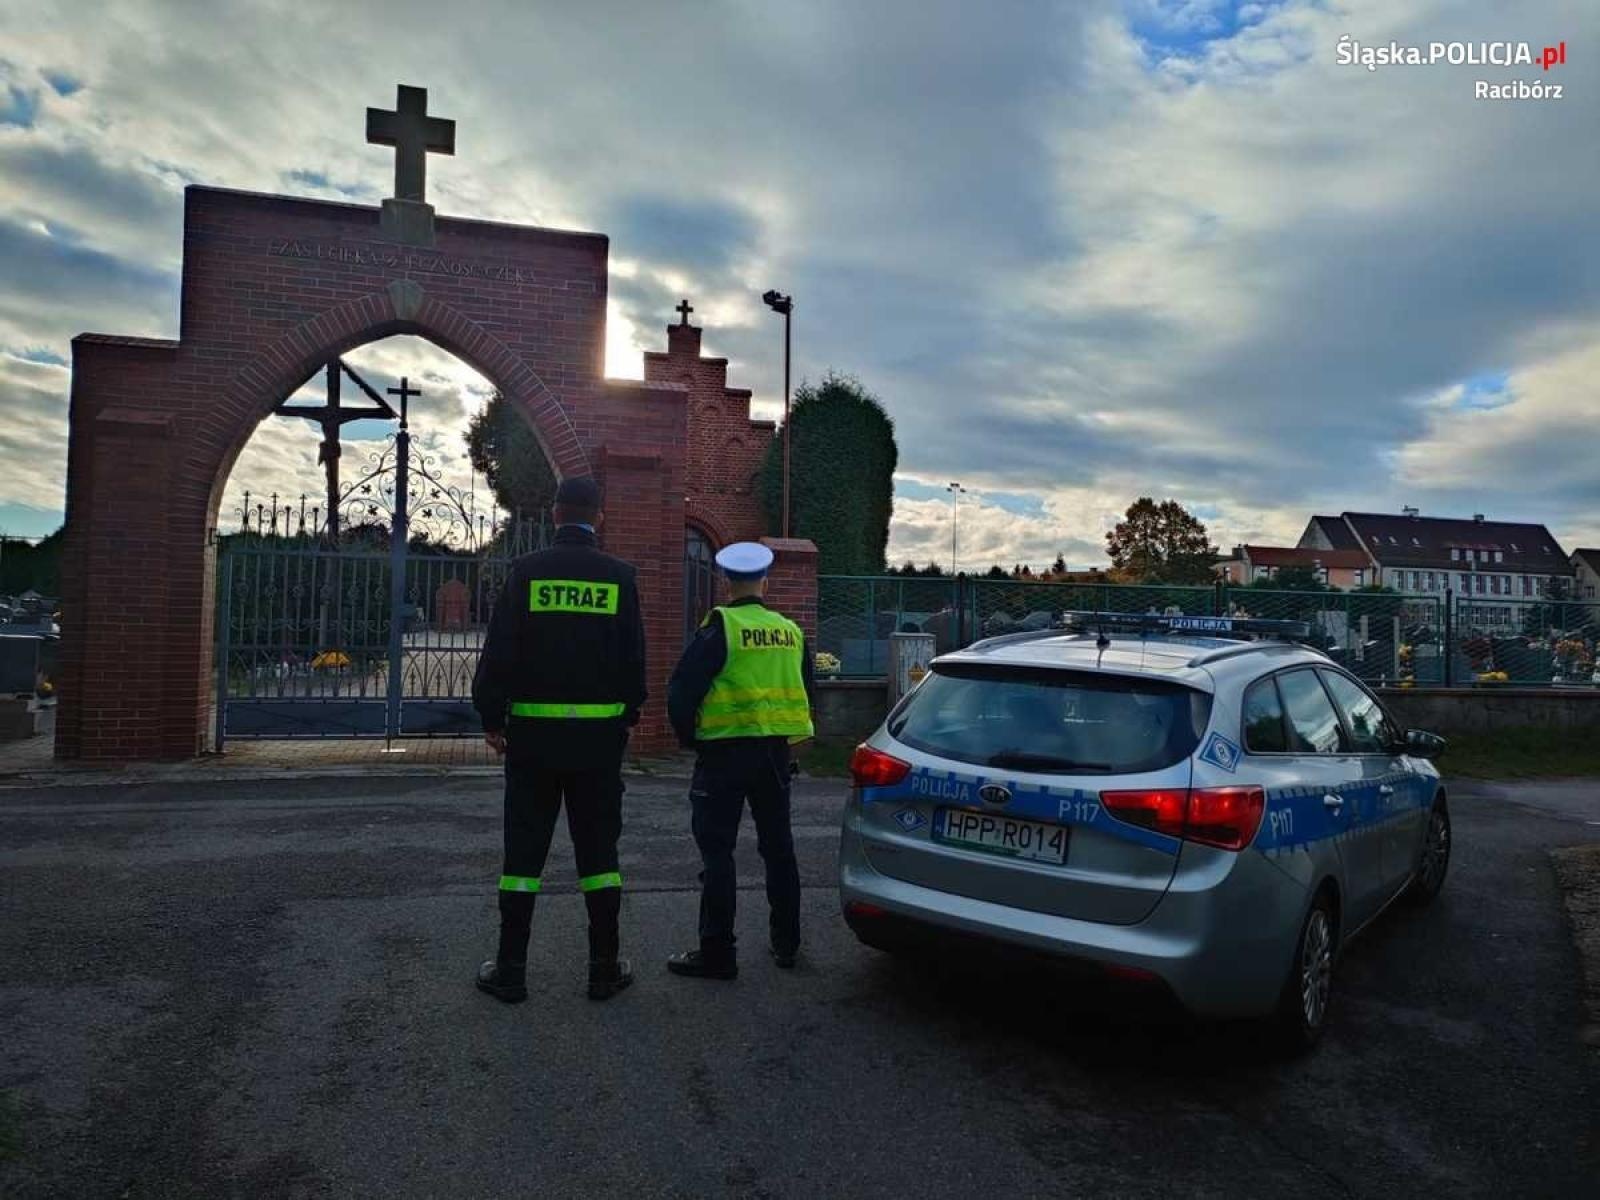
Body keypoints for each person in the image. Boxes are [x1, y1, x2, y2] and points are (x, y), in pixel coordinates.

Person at [470, 476, 646, 1004]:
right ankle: (603, 969)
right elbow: (634, 663)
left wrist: (491, 717)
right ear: (600, 517)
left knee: (523, 858)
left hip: (532, 744)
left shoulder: (527, 573)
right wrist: (625, 718)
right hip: (597, 745)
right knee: (599, 857)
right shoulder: (620, 578)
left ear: (554, 515)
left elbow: (500, 651)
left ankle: (510, 971)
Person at [665, 542, 814, 979]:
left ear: (725, 582)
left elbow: (681, 691)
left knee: (718, 853)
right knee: (779, 850)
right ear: (765, 581)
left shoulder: (721, 627)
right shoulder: (791, 631)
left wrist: (690, 738)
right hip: (774, 754)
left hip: (724, 754)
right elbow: (806, 689)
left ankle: (717, 952)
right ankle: (787, 944)